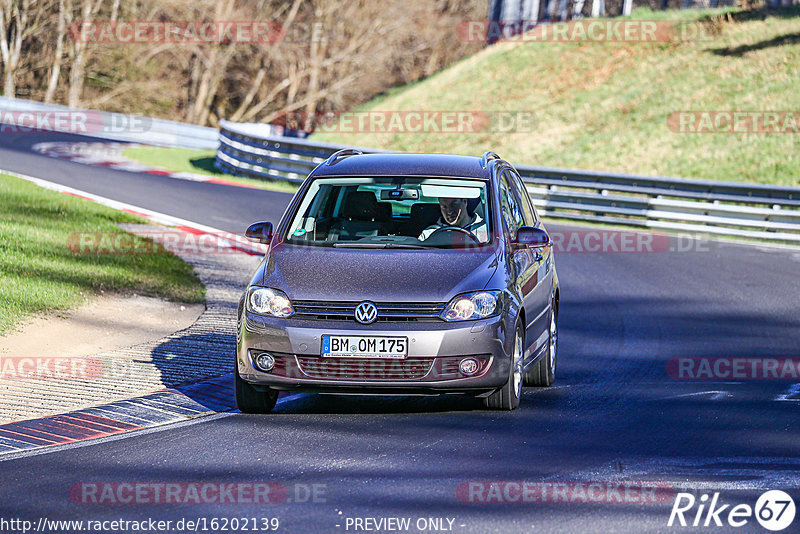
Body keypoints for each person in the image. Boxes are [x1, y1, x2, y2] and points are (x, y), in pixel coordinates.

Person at [419, 197, 488, 242]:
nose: (449, 211)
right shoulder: (429, 233)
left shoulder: (485, 231)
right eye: (444, 207)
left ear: (464, 202)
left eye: (454, 204)